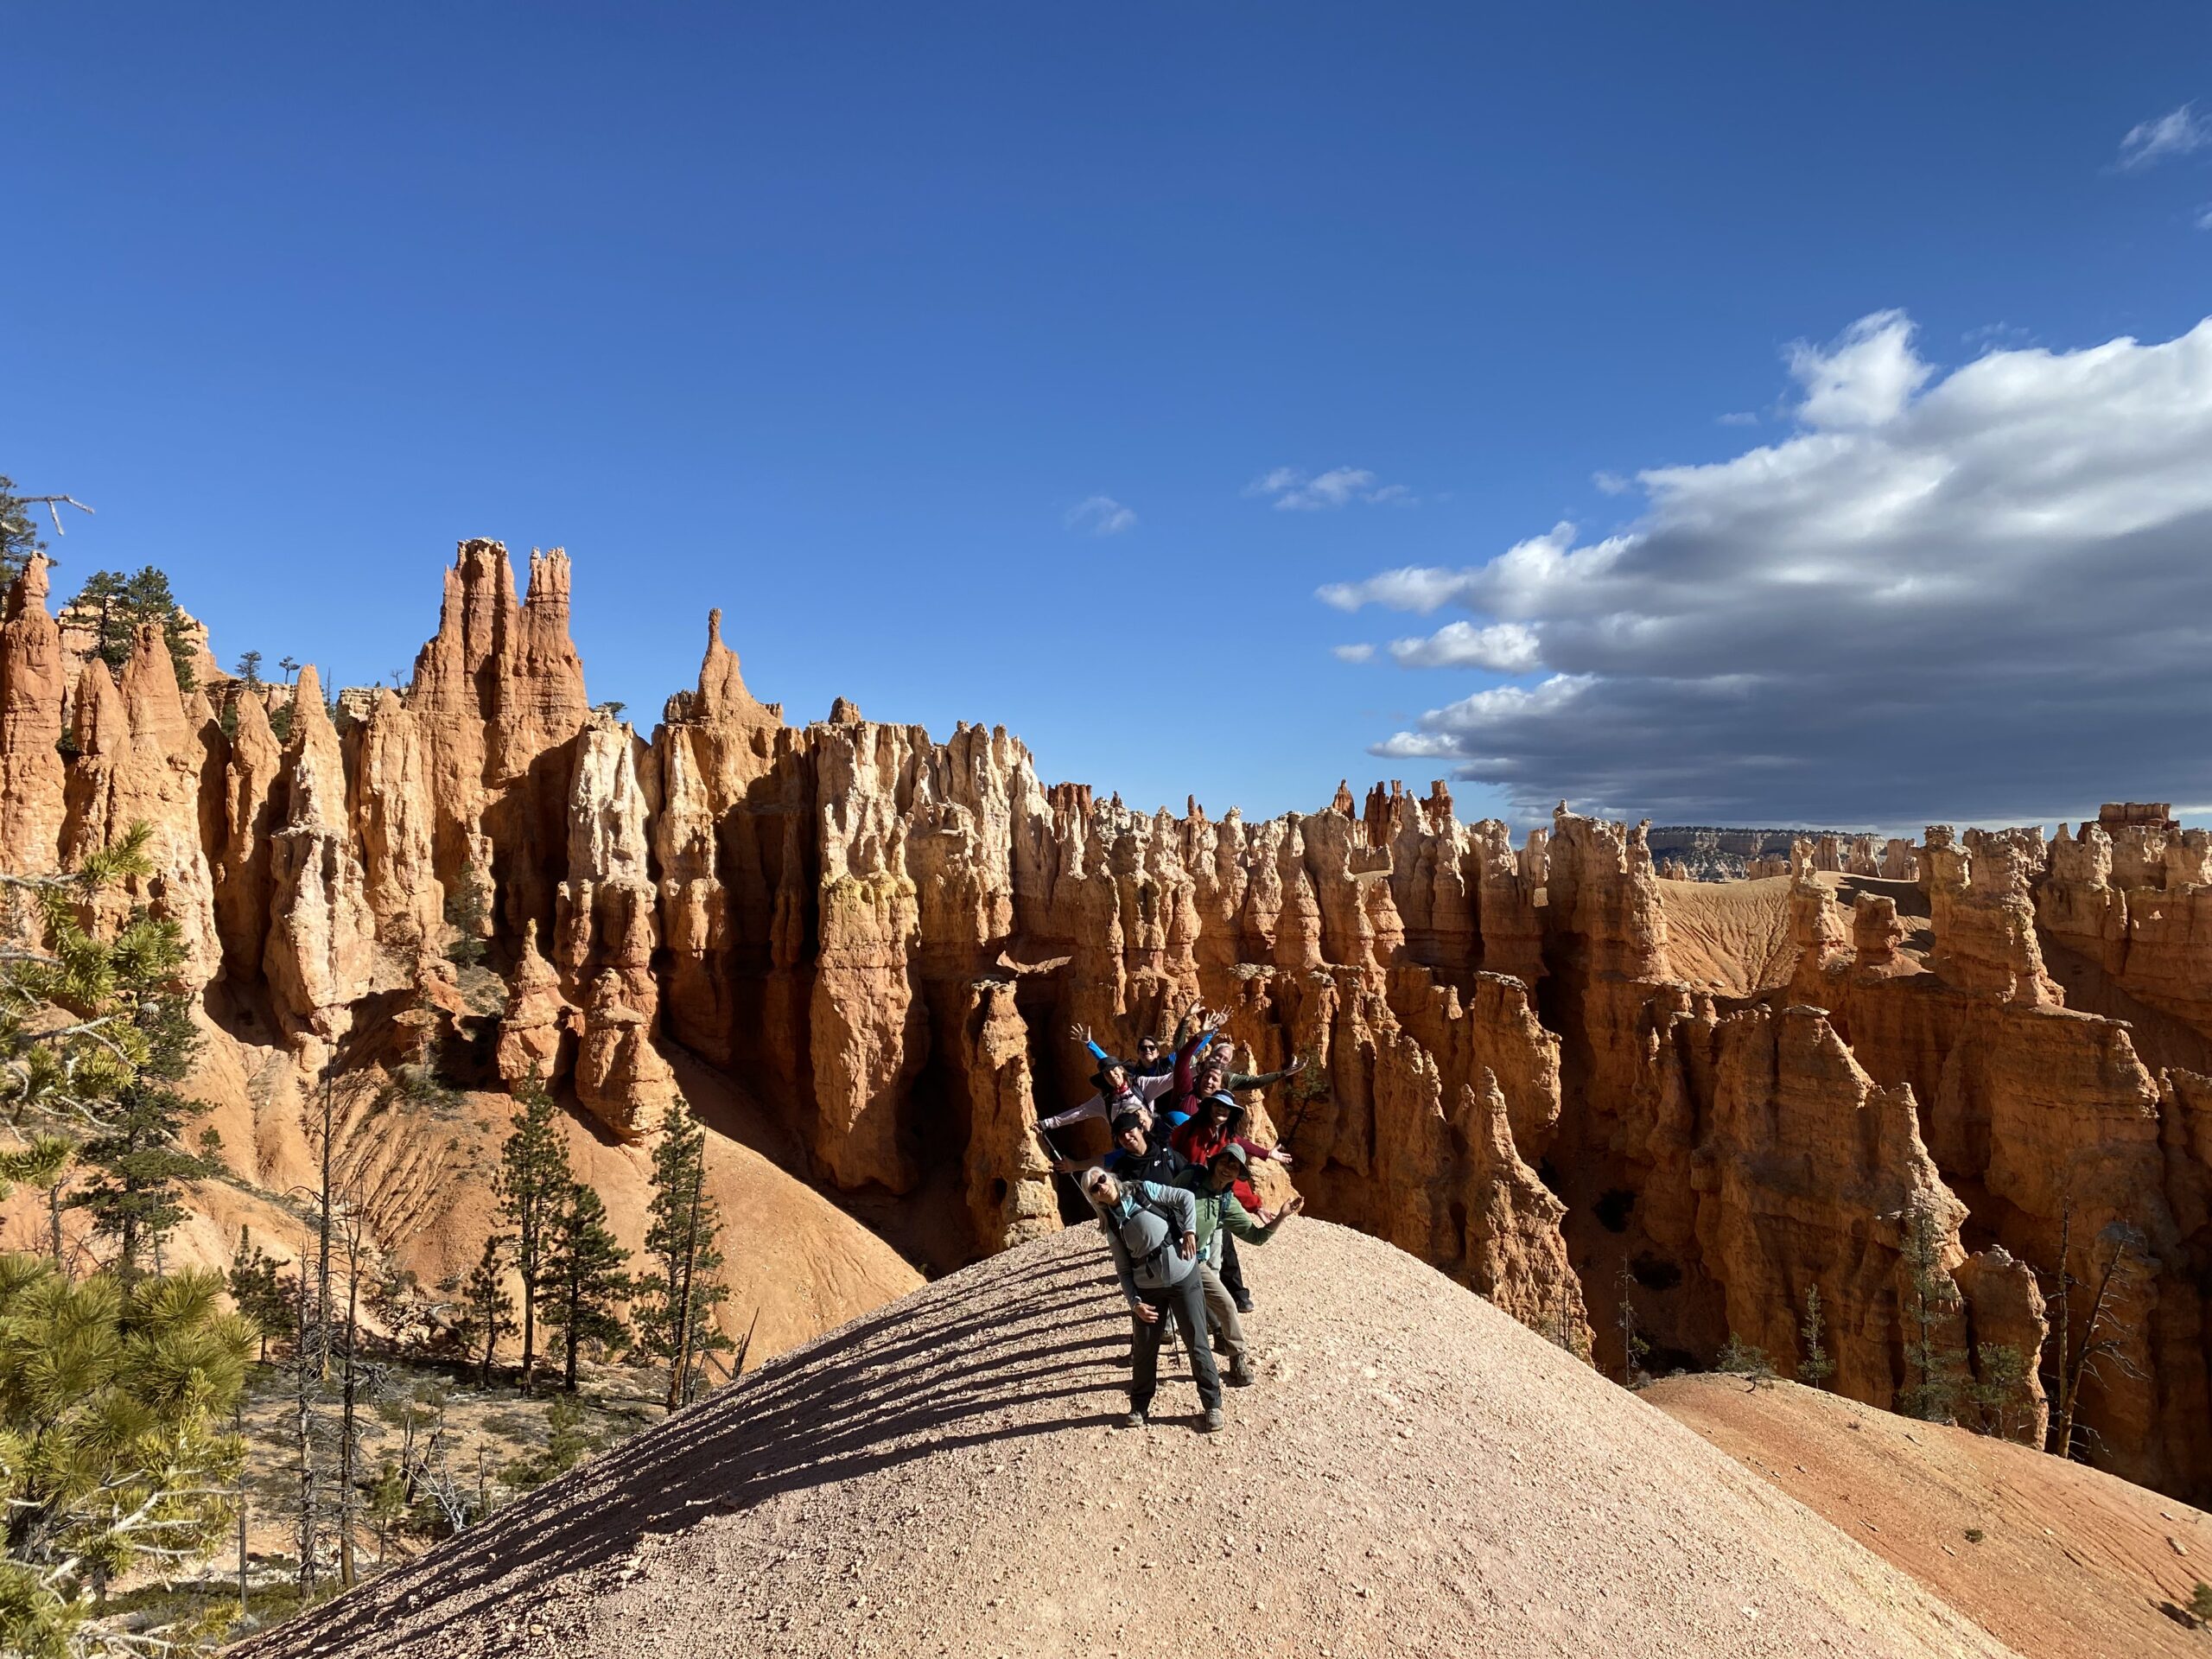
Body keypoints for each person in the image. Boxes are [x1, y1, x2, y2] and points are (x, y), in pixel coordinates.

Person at [1081, 1166, 1222, 1431]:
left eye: (1102, 1178)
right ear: (1094, 1198)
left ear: (1111, 1176)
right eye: (1094, 1188)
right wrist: (1135, 1304)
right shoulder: (1111, 1225)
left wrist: (1190, 1231)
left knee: (1197, 1342)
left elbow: (1185, 1198)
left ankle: (1212, 1405)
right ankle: (1139, 1407)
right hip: (1149, 1291)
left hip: (1184, 1277)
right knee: (1145, 1349)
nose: (1102, 1185)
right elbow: (1124, 1270)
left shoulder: (1143, 1190)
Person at [1166, 1069, 1301, 1313]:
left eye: (1226, 1108)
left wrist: (1257, 1204)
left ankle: (1218, 1306)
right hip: (1190, 1198)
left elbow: (1235, 1173)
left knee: (1219, 1254)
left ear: (1230, 1114)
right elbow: (1170, 1149)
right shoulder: (1190, 1129)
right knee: (1187, 1255)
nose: (1221, 1110)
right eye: (1217, 1105)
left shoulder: (1228, 1139)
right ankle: (1186, 1309)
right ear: (1209, 1107)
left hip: (1217, 1202)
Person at [1177, 1144, 1303, 1386]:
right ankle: (1140, 1362)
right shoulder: (1190, 1179)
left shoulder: (1227, 1201)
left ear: (1238, 1175)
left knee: (1227, 1305)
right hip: (1168, 1259)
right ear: (1215, 1162)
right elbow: (1164, 1202)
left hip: (1195, 1263)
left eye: (1234, 1167)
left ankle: (1237, 1360)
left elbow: (1256, 1238)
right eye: (1225, 1162)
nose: (1228, 1169)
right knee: (1158, 1312)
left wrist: (1281, 1216)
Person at [1038, 1009, 1224, 1136]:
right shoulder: (1127, 1081)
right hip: (1127, 1139)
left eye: (1151, 1048)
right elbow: (1078, 1113)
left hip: (1158, 1123)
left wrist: (1205, 1055)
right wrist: (1046, 1124)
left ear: (1157, 1051)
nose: (1147, 1051)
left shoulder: (1149, 1077)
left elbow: (1183, 1062)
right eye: (1143, 1049)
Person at [1055, 1110, 1188, 1189]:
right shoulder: (1122, 1167)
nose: (1126, 1137)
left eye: (1129, 1130)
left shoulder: (1167, 1154)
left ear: (1141, 1129)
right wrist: (1074, 1166)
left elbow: (1190, 1180)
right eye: (1120, 1135)